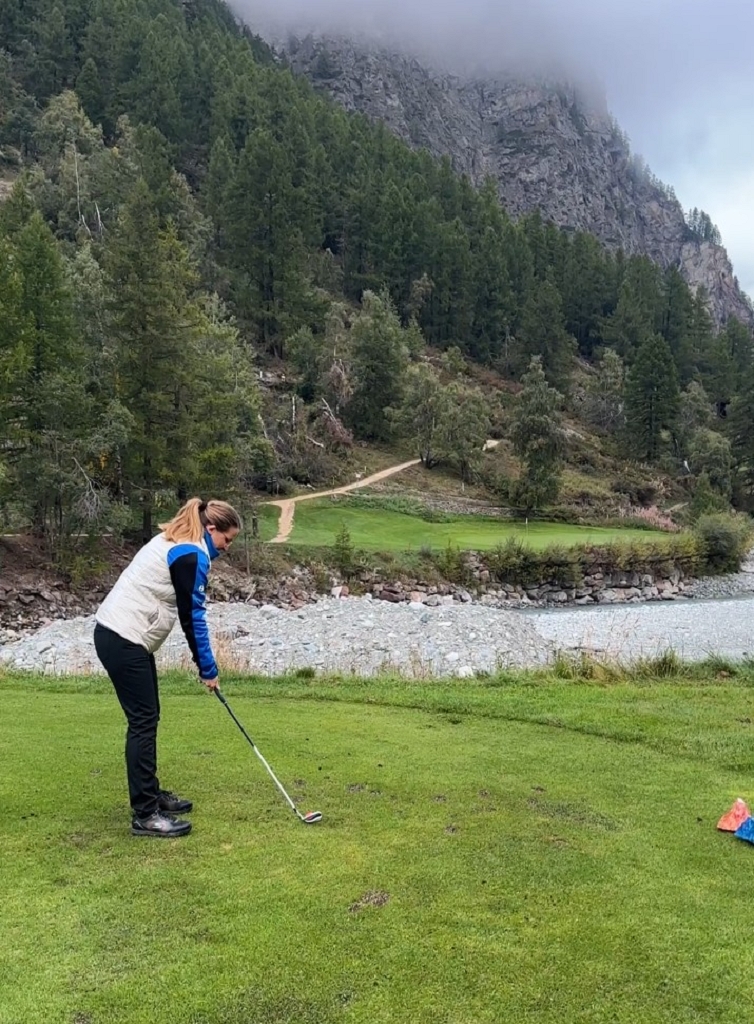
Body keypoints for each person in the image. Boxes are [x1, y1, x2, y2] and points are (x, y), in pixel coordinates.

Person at [94, 498, 242, 838]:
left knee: (149, 716)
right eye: (226, 539)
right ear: (211, 529)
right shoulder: (192, 553)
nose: (227, 547)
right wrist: (207, 667)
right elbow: (193, 616)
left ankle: (151, 794)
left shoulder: (176, 540)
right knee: (143, 721)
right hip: (122, 638)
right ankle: (146, 815)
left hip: (123, 636)